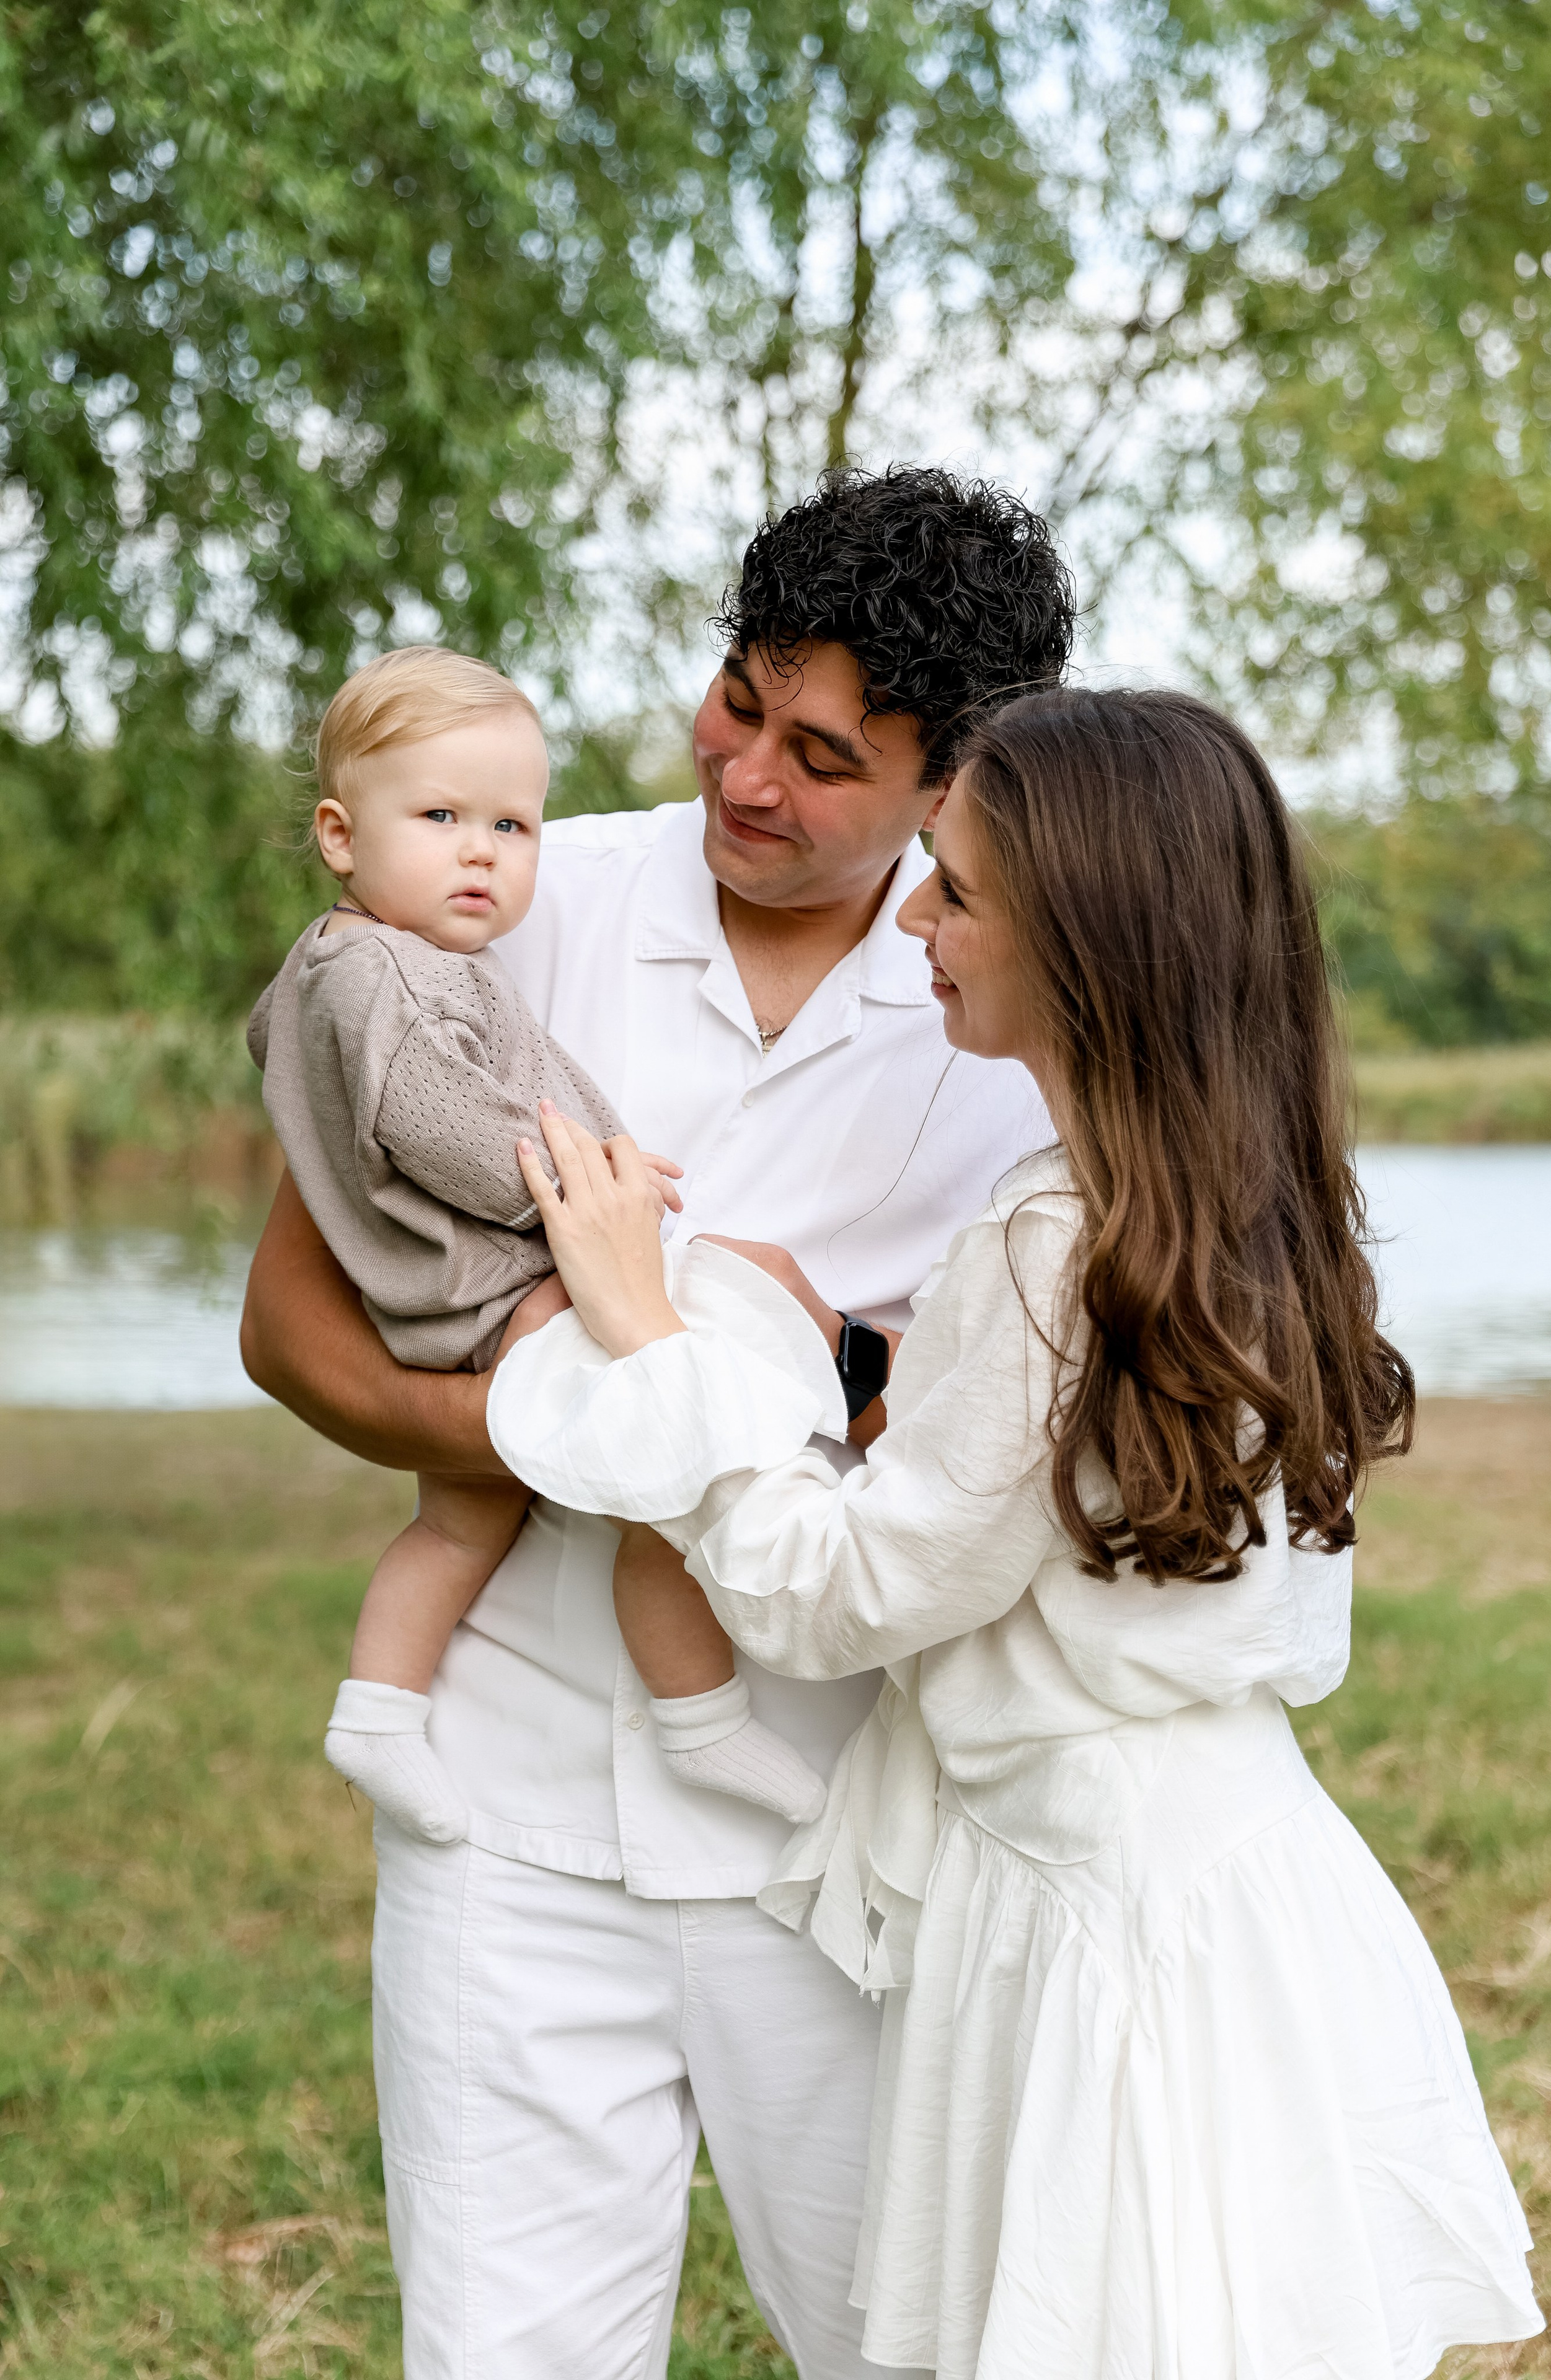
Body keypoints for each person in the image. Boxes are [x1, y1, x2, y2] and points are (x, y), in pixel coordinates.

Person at [490, 685, 1544, 2380]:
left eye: (957, 890)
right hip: (1241, 1876)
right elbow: (1037, 1474)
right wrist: (843, 1357)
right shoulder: (1247, 1204)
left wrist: (657, 1348)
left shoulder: (1060, 1243)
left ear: (1089, 942)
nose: (915, 918)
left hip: (1103, 1935)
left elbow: (834, 1598)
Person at [239, 465, 1068, 2378]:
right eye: (739, 698)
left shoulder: (1009, 1010)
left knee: (905, 2348)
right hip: (508, 1818)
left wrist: (778, 1374)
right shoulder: (507, 889)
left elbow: (999, 1430)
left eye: (827, 754)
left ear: (949, 788)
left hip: (837, 1826)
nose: (751, 774)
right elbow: (293, 1323)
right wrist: (577, 1440)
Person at [249, 644, 828, 1842]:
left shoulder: (389, 961)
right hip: (495, 1286)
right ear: (340, 835)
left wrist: (597, 1146)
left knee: (463, 1516)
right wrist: (590, 1183)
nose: (483, 850)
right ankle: (700, 1712)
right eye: (444, 816)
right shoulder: (385, 981)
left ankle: (378, 1705)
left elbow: (521, 1078)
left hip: (463, 1289)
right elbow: (451, 1123)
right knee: (673, 1463)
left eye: (514, 825)